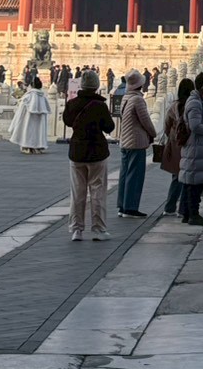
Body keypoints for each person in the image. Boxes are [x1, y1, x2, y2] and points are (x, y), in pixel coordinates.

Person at [63, 69, 115, 240]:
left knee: (77, 193)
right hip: (97, 152)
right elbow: (109, 127)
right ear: (96, 86)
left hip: (77, 151)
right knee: (97, 191)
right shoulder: (100, 105)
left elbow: (67, 121)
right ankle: (98, 229)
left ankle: (76, 229)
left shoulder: (72, 103)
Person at [116, 70, 156, 217]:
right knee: (135, 176)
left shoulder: (125, 98)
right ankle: (130, 207)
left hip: (125, 141)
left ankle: (122, 206)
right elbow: (146, 120)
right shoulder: (138, 100)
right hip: (136, 142)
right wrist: (153, 133)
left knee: (124, 174)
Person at [179, 71, 203, 225]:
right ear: (202, 87)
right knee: (194, 184)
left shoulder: (200, 102)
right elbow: (195, 126)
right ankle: (193, 214)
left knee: (193, 182)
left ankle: (188, 213)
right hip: (195, 148)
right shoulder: (195, 103)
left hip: (199, 148)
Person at [161, 77, 195, 214]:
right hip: (188, 144)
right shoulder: (193, 105)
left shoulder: (173, 107)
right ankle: (181, 209)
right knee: (185, 177)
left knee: (176, 176)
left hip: (175, 144)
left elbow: (166, 127)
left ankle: (170, 207)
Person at [9, 76, 51, 154]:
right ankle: (38, 146)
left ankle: (27, 146)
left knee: (28, 131)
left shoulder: (28, 96)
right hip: (39, 121)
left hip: (28, 119)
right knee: (38, 131)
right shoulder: (43, 97)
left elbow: (21, 109)